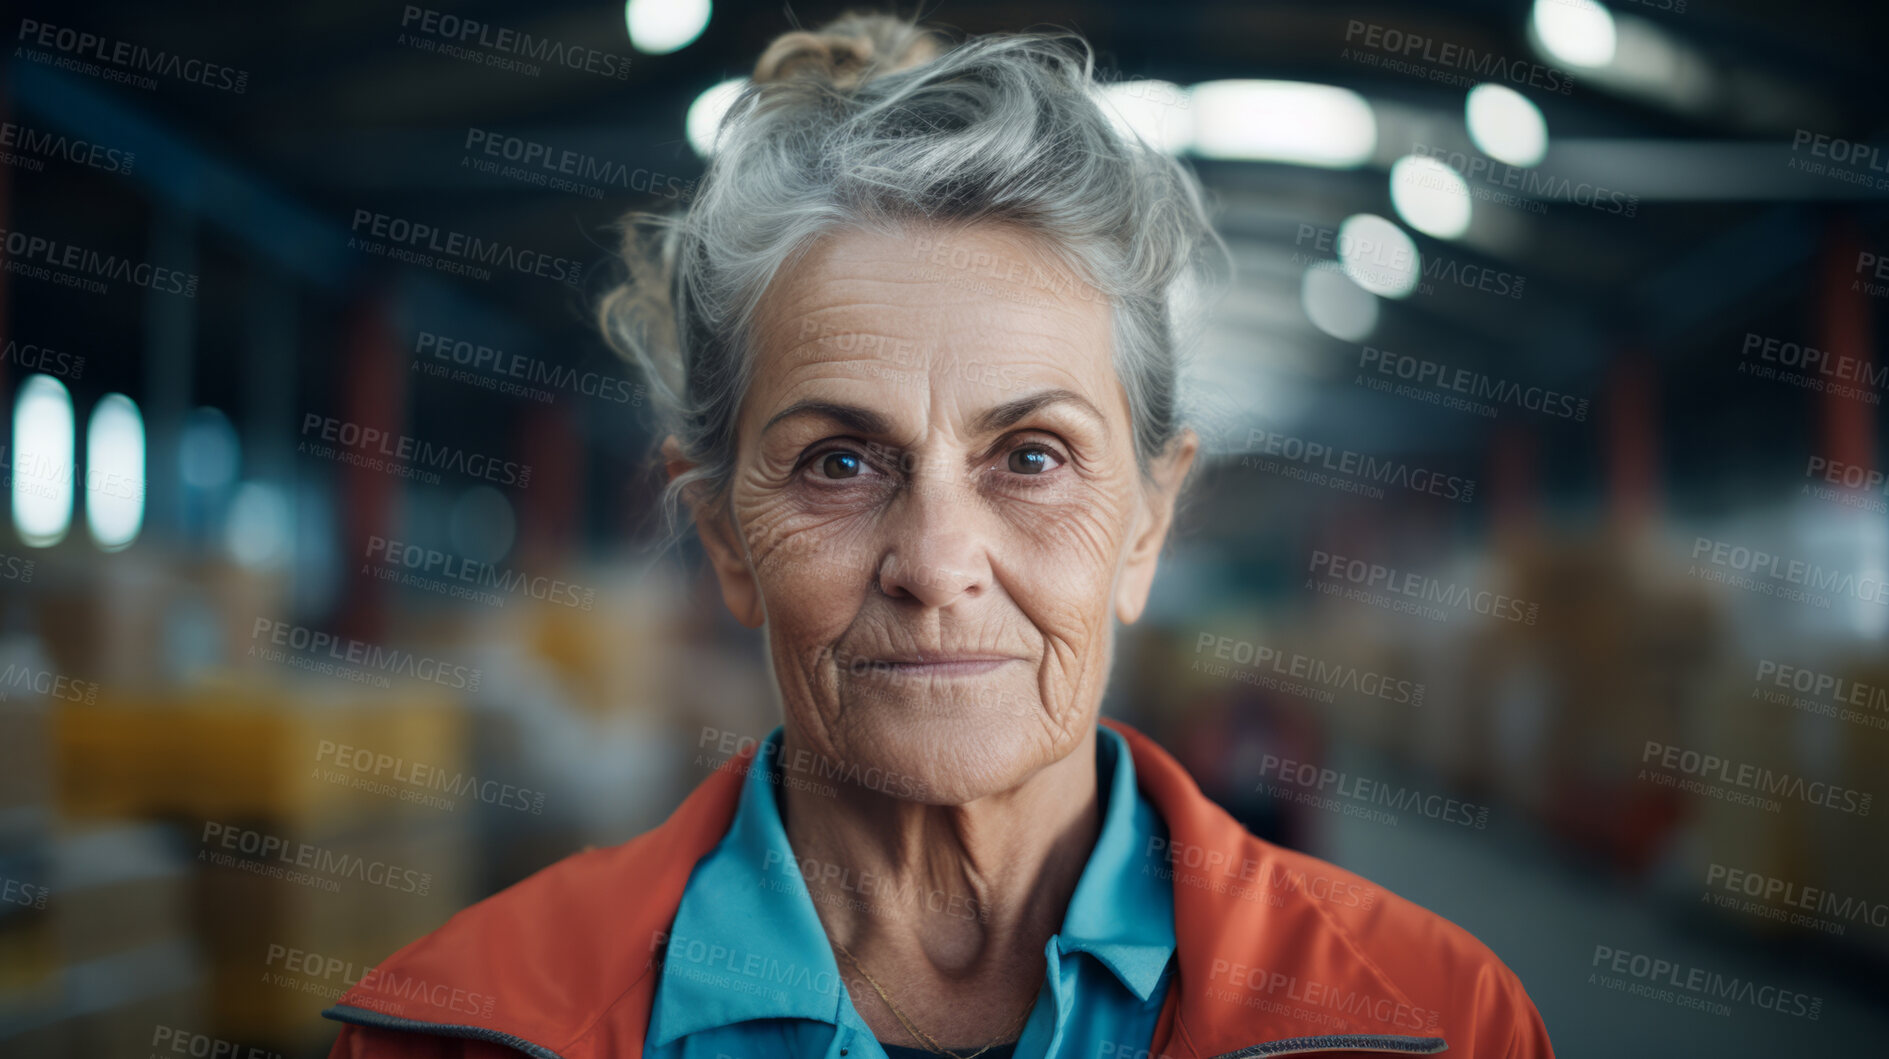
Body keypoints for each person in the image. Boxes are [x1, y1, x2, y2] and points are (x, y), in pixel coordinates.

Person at [323, 12, 1554, 1058]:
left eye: (1029, 458)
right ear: (722, 539)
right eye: (840, 462)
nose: (936, 565)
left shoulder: (1441, 1023)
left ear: (1146, 526)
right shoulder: (455, 1031)